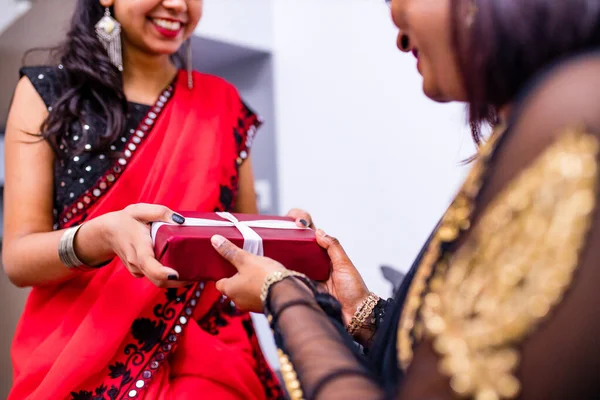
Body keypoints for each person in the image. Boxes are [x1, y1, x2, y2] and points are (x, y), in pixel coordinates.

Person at [208, 0, 600, 399]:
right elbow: (445, 366)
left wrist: (284, 292)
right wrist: (359, 309)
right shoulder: (539, 120)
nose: (398, 35)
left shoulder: (574, 114)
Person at [3, 0, 313, 399]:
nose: (177, 5)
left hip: (210, 362)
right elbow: (18, 258)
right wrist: (98, 237)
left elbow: (243, 246)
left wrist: (287, 238)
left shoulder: (223, 105)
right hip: (76, 359)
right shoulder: (49, 93)